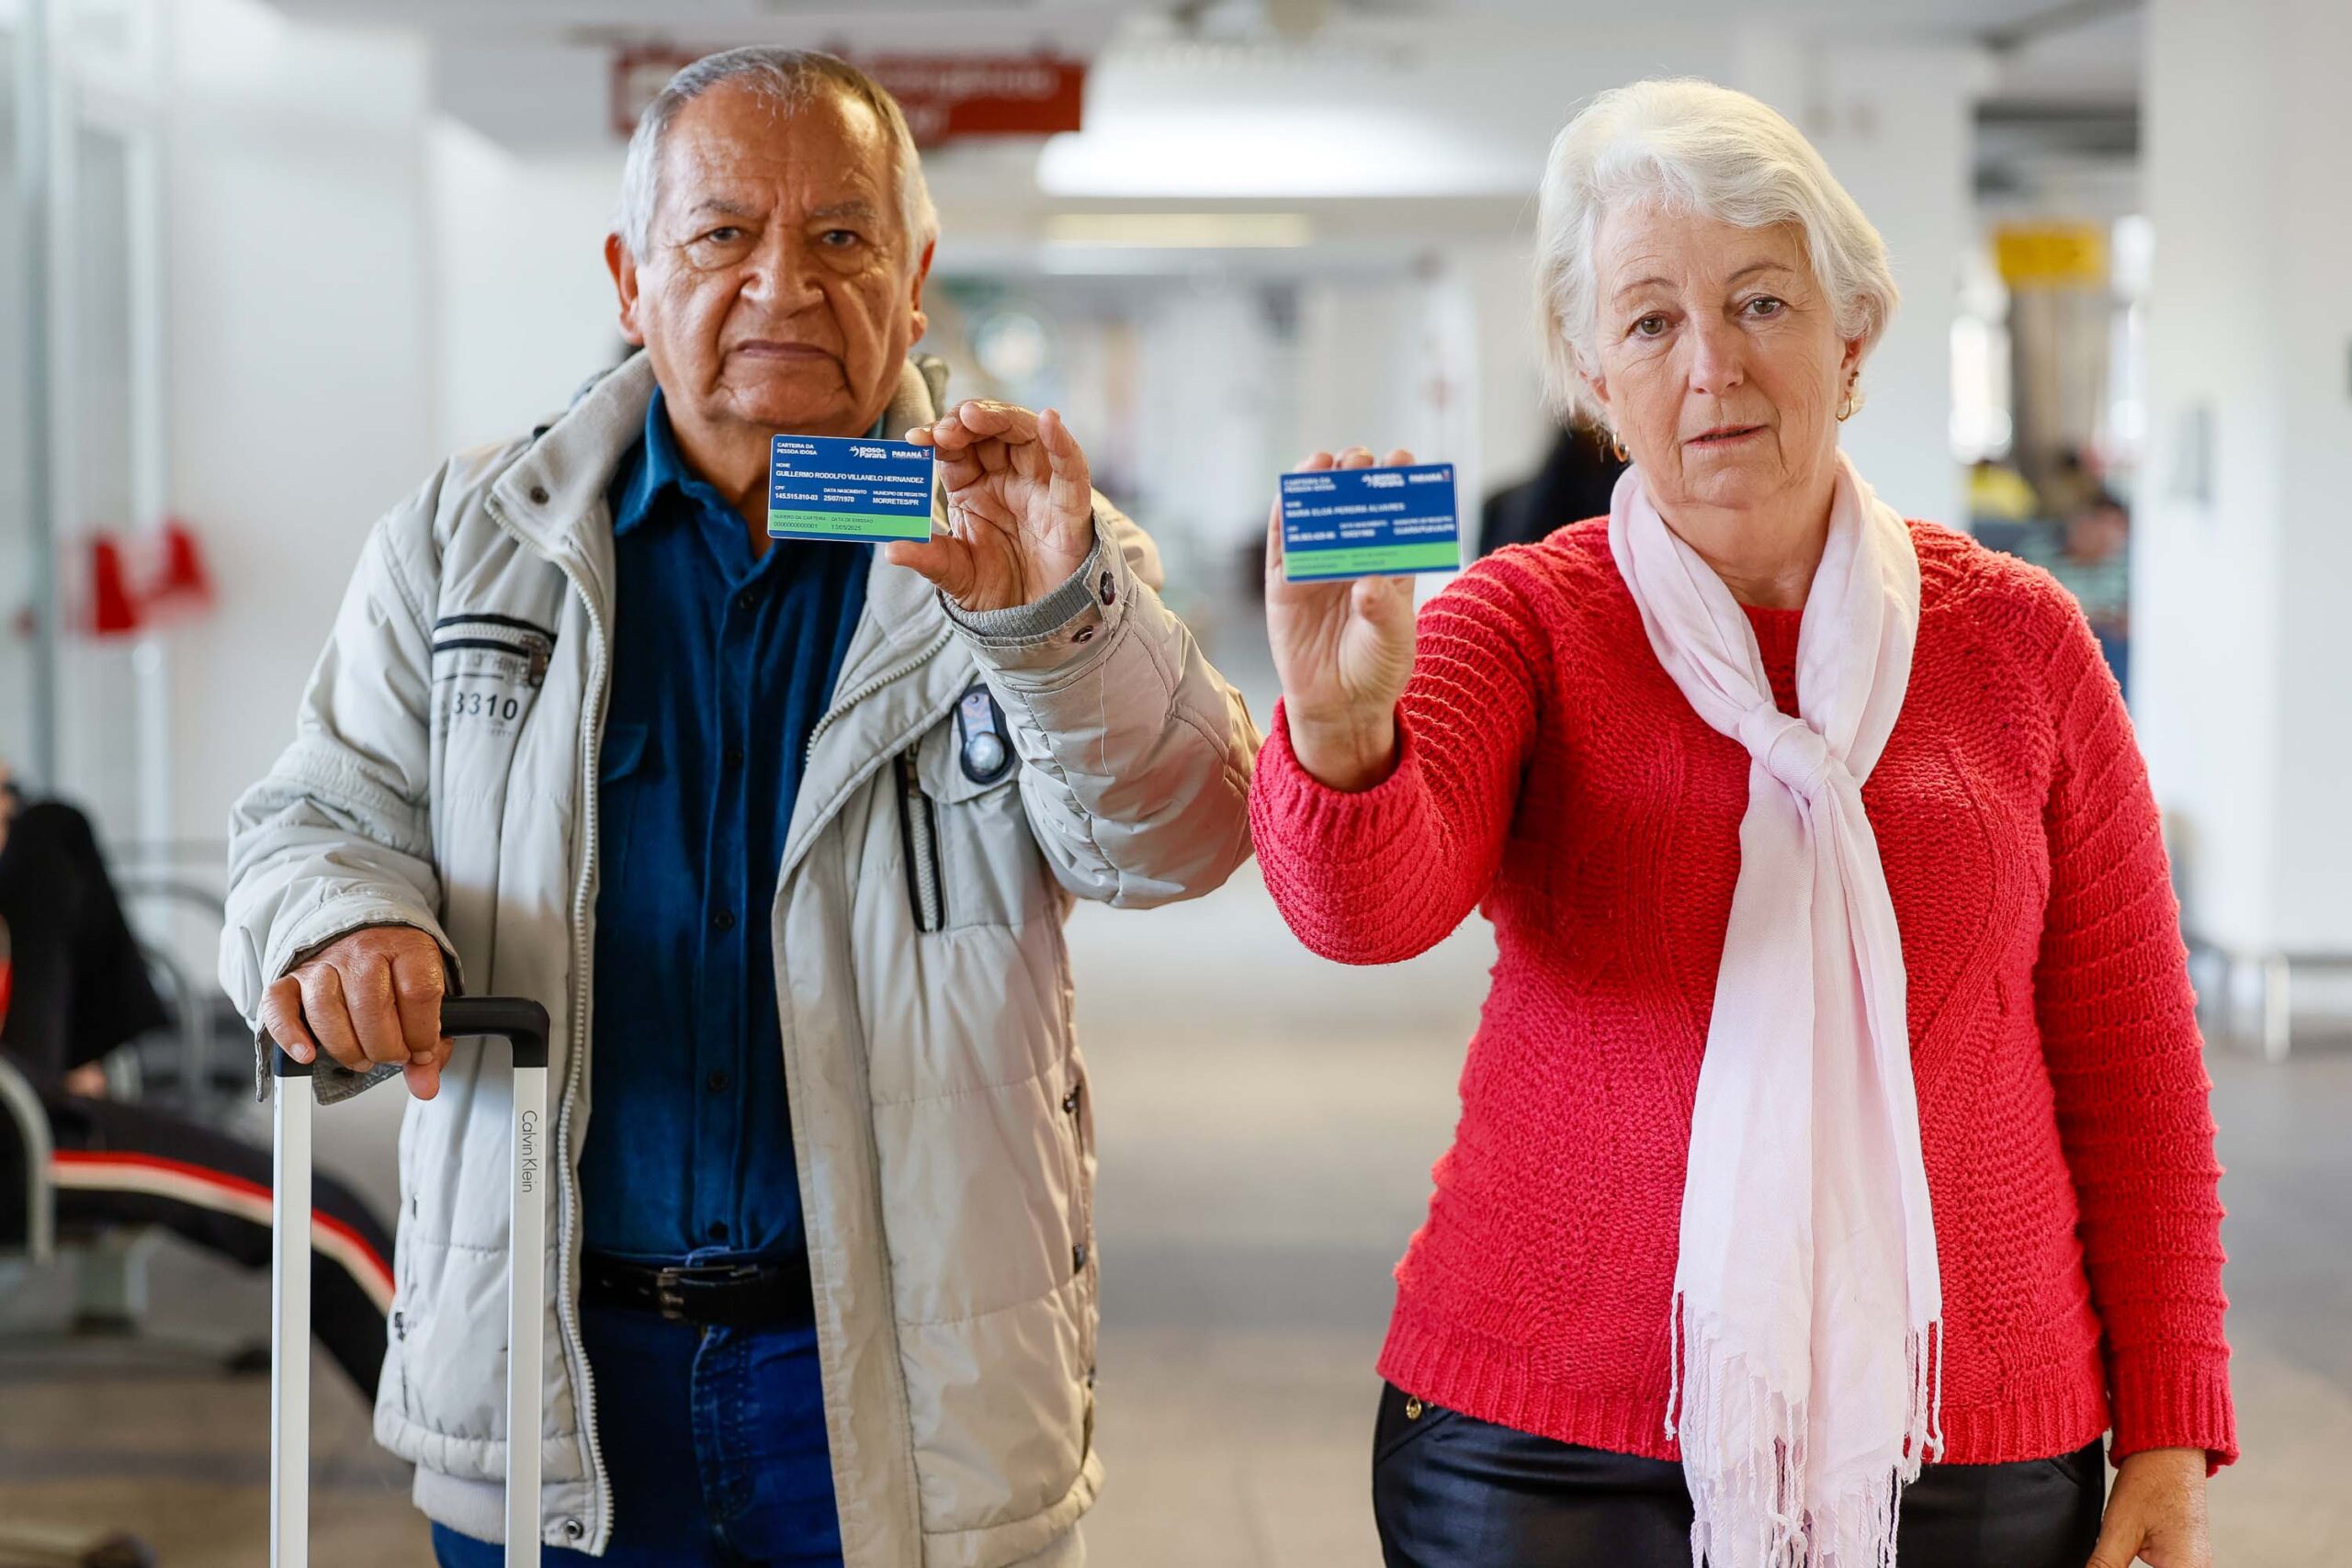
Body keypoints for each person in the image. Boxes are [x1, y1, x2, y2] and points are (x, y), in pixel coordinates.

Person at [220, 49, 1257, 1567]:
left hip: (907, 1373)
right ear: (631, 278)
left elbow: (1183, 837)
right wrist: (346, 921)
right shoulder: (470, 539)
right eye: (722, 235)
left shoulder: (1032, 538)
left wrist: (1050, 628)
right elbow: (314, 815)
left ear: (914, 283)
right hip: (557, 1360)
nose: (784, 283)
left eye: (841, 236)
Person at [1250, 79, 2228, 1568]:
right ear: (1596, 376)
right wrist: (1338, 733)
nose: (1712, 364)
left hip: (1965, 1430)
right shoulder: (1522, 622)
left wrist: (2167, 1417)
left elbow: (2132, 1055)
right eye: (1651, 322)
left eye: (1761, 301)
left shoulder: (2019, 643)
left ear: (1852, 338)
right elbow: (1367, 913)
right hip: (1547, 1435)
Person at [0, 779, 394, 1396]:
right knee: (327, 1229)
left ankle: (83, 1064)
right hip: (17, 1129)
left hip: (32, 1096)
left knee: (51, 826)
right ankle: (454, 1430)